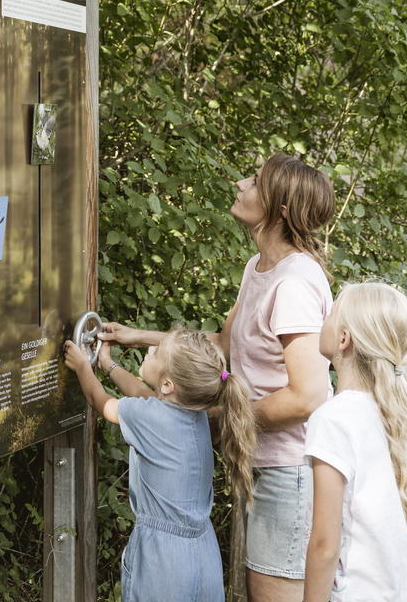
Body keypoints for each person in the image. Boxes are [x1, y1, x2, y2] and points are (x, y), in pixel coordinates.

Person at [103, 153, 336, 601]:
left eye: (255, 181)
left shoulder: (294, 283)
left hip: (290, 471)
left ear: (279, 209)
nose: (241, 183)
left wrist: (224, 420)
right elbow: (224, 344)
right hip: (263, 463)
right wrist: (136, 336)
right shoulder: (259, 269)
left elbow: (307, 397)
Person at [64, 327, 257, 602]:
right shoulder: (198, 417)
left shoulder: (150, 417)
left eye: (156, 352)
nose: (149, 349)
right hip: (204, 554)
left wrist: (83, 365)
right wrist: (107, 364)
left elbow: (99, 401)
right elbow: (142, 393)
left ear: (167, 385)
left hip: (163, 562)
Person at [303, 282, 407, 602]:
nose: (323, 317)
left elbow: (325, 546)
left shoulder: (332, 420)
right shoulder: (394, 414)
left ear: (343, 339)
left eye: (331, 312)